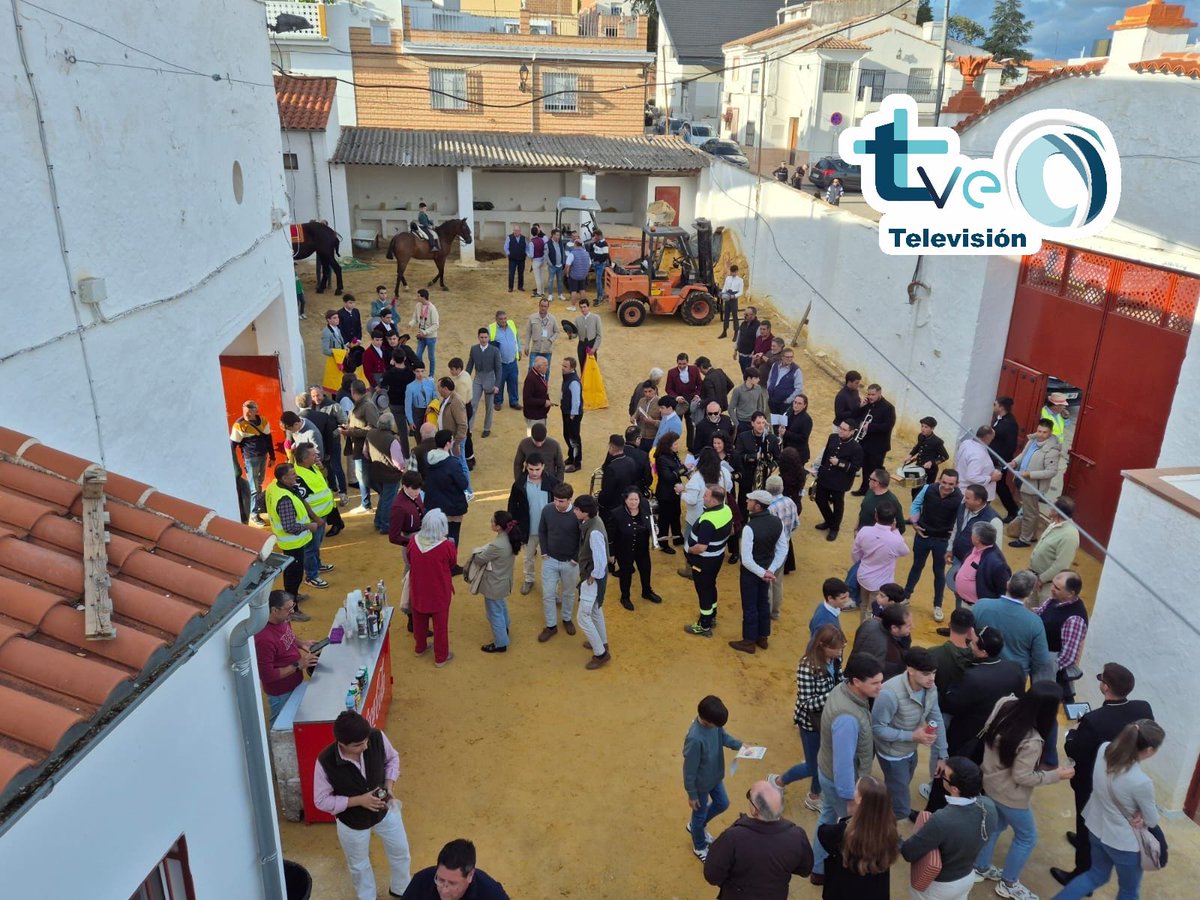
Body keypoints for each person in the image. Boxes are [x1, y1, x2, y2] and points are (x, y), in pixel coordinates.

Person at [1051, 663, 1155, 889]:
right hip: (1124, 779)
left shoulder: (1094, 720)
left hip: (1093, 782)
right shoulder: (1143, 708)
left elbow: (1075, 751)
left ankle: (1081, 874)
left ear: (1105, 687)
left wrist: (1073, 734)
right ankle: (1083, 841)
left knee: (1086, 819)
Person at [972, 683, 1074, 899]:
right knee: (1027, 837)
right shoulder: (1032, 740)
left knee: (995, 826)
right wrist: (1057, 775)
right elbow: (1022, 776)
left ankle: (980, 867)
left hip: (988, 780)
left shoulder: (1004, 704)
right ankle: (1008, 883)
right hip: (1010, 795)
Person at [1056, 721, 1166, 900]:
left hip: (1096, 828)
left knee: (1094, 875)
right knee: (1129, 890)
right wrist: (1141, 814)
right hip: (1123, 843)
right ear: (1150, 750)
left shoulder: (1104, 750)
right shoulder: (1142, 781)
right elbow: (1152, 820)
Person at [314, 711, 412, 900]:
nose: (366, 746)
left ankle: (401, 890)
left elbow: (393, 759)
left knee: (401, 852)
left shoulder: (376, 737)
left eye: (366, 740)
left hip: (385, 810)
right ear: (341, 744)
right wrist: (359, 800)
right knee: (359, 866)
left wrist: (389, 785)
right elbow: (321, 800)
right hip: (352, 822)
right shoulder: (325, 761)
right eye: (358, 745)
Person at [810, 654, 885, 883]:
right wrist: (851, 797)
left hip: (827, 770)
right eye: (875, 683)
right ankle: (830, 870)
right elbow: (843, 764)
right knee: (846, 829)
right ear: (856, 681)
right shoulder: (847, 718)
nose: (880, 687)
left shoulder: (844, 691)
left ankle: (818, 869)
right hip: (842, 782)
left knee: (827, 817)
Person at [900, 757, 999, 900]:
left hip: (939, 885)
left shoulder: (942, 819)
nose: (940, 777)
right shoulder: (989, 805)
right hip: (967, 877)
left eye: (943, 776)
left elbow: (908, 852)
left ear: (954, 789)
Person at [769, 623, 845, 808]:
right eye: (837, 648)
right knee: (813, 766)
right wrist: (835, 694)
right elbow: (806, 703)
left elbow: (839, 679)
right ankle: (779, 781)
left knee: (823, 762)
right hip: (811, 724)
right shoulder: (807, 666)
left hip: (828, 719)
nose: (840, 651)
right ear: (823, 646)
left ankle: (814, 795)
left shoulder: (834, 659)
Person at [870, 647, 948, 822]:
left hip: (910, 750)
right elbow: (877, 728)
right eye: (927, 673)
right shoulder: (889, 694)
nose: (932, 678)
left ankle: (886, 807)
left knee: (899, 787)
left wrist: (942, 754)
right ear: (910, 670)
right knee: (901, 806)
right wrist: (913, 736)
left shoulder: (930, 687)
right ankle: (888, 830)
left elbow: (937, 718)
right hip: (892, 755)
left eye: (934, 673)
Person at [704, 780, 814, 897]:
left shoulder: (733, 838)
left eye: (749, 796)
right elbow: (805, 869)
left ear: (755, 810)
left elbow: (712, 875)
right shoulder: (797, 836)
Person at [941, 627, 1025, 758]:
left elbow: (950, 704)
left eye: (973, 643)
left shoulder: (973, 676)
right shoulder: (1015, 668)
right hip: (1000, 733)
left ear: (984, 653)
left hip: (969, 736)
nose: (969, 643)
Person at [683, 695, 744, 862]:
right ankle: (699, 846)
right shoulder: (695, 739)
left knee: (722, 803)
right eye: (717, 725)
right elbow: (689, 769)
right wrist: (692, 794)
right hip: (701, 785)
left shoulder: (714, 727)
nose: (719, 728)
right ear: (708, 721)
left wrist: (740, 746)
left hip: (715, 776)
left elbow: (723, 737)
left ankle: (697, 827)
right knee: (699, 815)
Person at [816, 775, 898, 899]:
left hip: (845, 889)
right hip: (875, 890)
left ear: (859, 799)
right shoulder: (890, 830)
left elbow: (822, 833)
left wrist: (845, 820)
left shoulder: (844, 832)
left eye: (855, 789)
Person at [729, 490, 787, 654]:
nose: (747, 501)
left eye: (750, 500)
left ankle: (749, 641)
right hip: (767, 570)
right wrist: (770, 570)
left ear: (758, 506)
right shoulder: (777, 522)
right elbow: (783, 548)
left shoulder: (749, 527)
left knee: (750, 606)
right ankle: (763, 637)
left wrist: (763, 572)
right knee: (763, 602)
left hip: (751, 573)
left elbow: (746, 559)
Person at [1034, 570, 1088, 747]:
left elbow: (1068, 656)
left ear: (1071, 593)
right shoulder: (1056, 600)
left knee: (1045, 709)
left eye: (1057, 588)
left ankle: (1045, 746)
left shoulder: (1074, 618)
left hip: (1050, 666)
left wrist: (1046, 666)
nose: (1052, 590)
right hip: (1042, 659)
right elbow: (1040, 612)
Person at [973, 570, 1057, 683]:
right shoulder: (1035, 622)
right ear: (1030, 593)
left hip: (980, 670)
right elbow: (1041, 659)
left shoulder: (981, 605)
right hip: (1014, 678)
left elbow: (967, 636)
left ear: (1007, 584)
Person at [903, 469, 962, 621]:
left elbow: (959, 523)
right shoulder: (928, 488)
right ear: (939, 480)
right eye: (944, 482)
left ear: (957, 484)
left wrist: (951, 544)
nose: (947, 487)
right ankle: (906, 596)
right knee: (917, 566)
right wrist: (915, 523)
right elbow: (916, 505)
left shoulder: (960, 499)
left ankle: (938, 605)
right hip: (923, 536)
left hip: (942, 540)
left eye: (951, 484)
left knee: (939, 571)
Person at [254, 590, 318, 724]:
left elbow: (288, 635)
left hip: (295, 684)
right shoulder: (263, 639)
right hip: (281, 693)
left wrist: (302, 643)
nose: (293, 611)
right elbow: (267, 676)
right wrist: (298, 665)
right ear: (274, 610)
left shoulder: (283, 619)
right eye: (289, 609)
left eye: (293, 606)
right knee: (279, 726)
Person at [265, 463, 320, 614]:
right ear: (284, 478)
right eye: (293, 474)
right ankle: (292, 609)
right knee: (293, 576)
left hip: (291, 542)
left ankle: (293, 596)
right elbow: (289, 527)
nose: (296, 476)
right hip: (293, 544)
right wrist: (309, 526)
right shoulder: (284, 500)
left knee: (293, 574)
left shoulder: (274, 487)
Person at [683, 483, 734, 638]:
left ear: (713, 500)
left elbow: (701, 547)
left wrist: (688, 550)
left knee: (703, 591)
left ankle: (704, 625)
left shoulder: (708, 521)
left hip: (702, 562)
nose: (703, 497)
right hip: (716, 559)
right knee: (711, 586)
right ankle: (712, 616)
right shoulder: (726, 510)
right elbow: (731, 531)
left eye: (706, 495)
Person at [407, 510, 458, 667]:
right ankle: (441, 657)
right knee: (440, 626)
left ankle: (420, 647)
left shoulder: (413, 541)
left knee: (419, 619)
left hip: (418, 588)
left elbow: (409, 559)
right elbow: (452, 563)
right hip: (439, 591)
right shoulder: (447, 546)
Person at [507, 451, 557, 598]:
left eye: (537, 469)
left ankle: (552, 587)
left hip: (548, 531)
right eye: (531, 469)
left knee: (550, 560)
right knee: (528, 558)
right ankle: (529, 579)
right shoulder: (519, 485)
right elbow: (512, 508)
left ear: (543, 467)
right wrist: (514, 528)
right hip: (527, 531)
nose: (534, 472)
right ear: (526, 467)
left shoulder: (553, 483)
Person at [470, 510, 521, 654]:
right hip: (504, 580)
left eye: (493, 521)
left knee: (494, 613)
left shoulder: (498, 544)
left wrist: (477, 552)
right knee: (501, 606)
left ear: (499, 527)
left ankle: (500, 643)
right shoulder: (510, 538)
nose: (491, 523)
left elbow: (479, 559)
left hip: (494, 584)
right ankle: (505, 628)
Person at [945, 484, 1001, 611]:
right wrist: (950, 548)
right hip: (959, 558)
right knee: (958, 590)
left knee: (972, 597)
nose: (964, 500)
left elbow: (996, 549)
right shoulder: (963, 507)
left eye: (968, 498)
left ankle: (968, 626)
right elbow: (956, 528)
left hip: (977, 566)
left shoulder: (994, 520)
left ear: (979, 501)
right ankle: (957, 624)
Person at [536, 482, 581, 642]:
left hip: (571, 562)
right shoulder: (548, 510)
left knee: (568, 593)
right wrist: (544, 551)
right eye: (555, 499)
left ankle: (567, 619)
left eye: (561, 501)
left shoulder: (578, 514)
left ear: (570, 500)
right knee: (548, 594)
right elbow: (542, 530)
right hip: (550, 560)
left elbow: (582, 539)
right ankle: (551, 626)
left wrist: (576, 558)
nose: (557, 503)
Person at [850, 503, 910, 622]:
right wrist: (896, 531)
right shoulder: (895, 539)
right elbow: (905, 551)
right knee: (873, 611)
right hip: (880, 583)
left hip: (863, 575)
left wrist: (862, 564)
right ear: (893, 520)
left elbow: (855, 553)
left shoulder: (864, 531)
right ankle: (868, 633)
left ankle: (863, 629)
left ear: (876, 516)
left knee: (863, 605)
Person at [1008, 419, 1063, 547]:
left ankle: (1024, 539)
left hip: (1033, 485)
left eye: (1044, 432)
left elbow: (1051, 472)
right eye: (1039, 431)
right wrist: (1015, 462)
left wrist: (1030, 474)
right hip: (1022, 480)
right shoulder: (1032, 441)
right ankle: (1031, 535)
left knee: (1029, 513)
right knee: (1031, 510)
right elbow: (1023, 455)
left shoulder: (1052, 451)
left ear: (1050, 433)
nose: (1040, 434)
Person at [607, 487, 661, 610]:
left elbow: (652, 520)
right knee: (626, 575)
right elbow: (610, 535)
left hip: (642, 549)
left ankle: (647, 592)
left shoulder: (645, 507)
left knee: (646, 570)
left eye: (636, 499)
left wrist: (655, 528)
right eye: (631, 499)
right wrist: (611, 553)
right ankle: (625, 597)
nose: (634, 502)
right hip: (624, 551)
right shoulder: (617, 514)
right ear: (625, 500)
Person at [573, 494, 611, 669]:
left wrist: (592, 576)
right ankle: (602, 642)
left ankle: (600, 653)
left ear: (585, 513)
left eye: (577, 510)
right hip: (593, 577)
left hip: (592, 579)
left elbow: (601, 560)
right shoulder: (595, 521)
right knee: (595, 610)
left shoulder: (594, 531)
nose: (574, 512)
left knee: (582, 617)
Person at [402, 838, 510, 900]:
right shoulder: (420, 881)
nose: (444, 890)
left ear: (470, 875)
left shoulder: (492, 894)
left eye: (452, 883)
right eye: (440, 880)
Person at [292, 444, 337, 586]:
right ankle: (311, 576)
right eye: (313, 455)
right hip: (314, 518)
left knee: (317, 544)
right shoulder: (298, 476)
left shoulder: (312, 466)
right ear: (305, 459)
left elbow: (324, 478)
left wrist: (322, 467)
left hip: (321, 515)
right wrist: (316, 519)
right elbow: (303, 502)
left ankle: (317, 565)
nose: (316, 456)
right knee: (311, 548)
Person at [813, 420, 864, 541]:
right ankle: (830, 521)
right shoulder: (833, 437)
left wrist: (839, 463)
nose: (840, 430)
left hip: (840, 481)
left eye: (844, 429)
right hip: (825, 476)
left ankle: (834, 528)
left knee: (838, 504)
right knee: (819, 499)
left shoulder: (856, 448)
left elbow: (855, 468)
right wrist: (819, 471)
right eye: (840, 428)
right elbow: (826, 456)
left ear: (852, 432)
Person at [231, 400, 276, 524]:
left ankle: (255, 510)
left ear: (256, 411)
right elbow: (232, 445)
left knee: (259, 483)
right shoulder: (239, 425)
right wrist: (235, 465)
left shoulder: (263, 421)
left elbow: (268, 438)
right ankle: (253, 514)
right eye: (245, 412)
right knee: (255, 487)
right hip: (251, 459)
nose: (247, 415)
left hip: (263, 456)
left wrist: (272, 456)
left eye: (250, 412)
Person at [422, 430, 469, 549]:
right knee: (452, 536)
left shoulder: (426, 458)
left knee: (435, 538)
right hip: (452, 506)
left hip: (433, 505)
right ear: (448, 443)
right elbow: (463, 484)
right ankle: (450, 563)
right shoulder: (452, 463)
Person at [951, 521, 1011, 612]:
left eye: (972, 534)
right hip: (966, 603)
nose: (970, 535)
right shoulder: (976, 548)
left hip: (979, 609)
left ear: (977, 539)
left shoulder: (996, 562)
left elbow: (1002, 590)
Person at [1030, 497, 1080, 598]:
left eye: (1052, 505)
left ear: (1057, 511)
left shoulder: (1070, 535)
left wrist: (1041, 579)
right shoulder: (1054, 523)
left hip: (1047, 586)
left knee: (1043, 612)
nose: (1049, 507)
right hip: (1035, 578)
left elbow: (1061, 565)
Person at [852, 384, 896, 496]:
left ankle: (876, 492)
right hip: (865, 442)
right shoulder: (868, 404)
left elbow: (888, 426)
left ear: (879, 393)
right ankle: (864, 489)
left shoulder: (888, 408)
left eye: (873, 394)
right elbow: (856, 417)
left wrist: (870, 426)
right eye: (869, 394)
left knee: (875, 470)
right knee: (865, 468)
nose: (870, 397)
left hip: (878, 446)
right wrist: (861, 406)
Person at [764, 474, 798, 618]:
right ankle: (776, 612)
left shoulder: (768, 508)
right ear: (782, 487)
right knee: (777, 581)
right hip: (784, 548)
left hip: (770, 550)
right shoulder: (790, 502)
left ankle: (768, 610)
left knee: (767, 583)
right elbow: (796, 524)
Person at [852, 603, 912, 680]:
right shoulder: (889, 651)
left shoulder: (869, 623)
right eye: (908, 626)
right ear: (894, 628)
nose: (913, 627)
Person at [929, 607, 976, 699]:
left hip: (939, 704)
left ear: (949, 625)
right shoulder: (977, 657)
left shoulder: (932, 653)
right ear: (971, 630)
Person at [466, 328, 502, 438]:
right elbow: (470, 364)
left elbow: (498, 368)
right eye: (481, 337)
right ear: (478, 337)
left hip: (490, 378)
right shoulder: (474, 349)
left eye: (486, 337)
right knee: (472, 404)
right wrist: (466, 378)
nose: (483, 339)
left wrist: (497, 385)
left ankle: (487, 428)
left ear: (489, 338)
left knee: (489, 406)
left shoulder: (494, 350)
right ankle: (469, 429)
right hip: (478, 378)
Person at [654, 432, 687, 552]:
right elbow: (667, 477)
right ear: (668, 445)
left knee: (675, 515)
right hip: (665, 494)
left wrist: (685, 470)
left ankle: (677, 538)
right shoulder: (662, 458)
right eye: (675, 443)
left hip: (674, 492)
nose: (678, 445)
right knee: (664, 519)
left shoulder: (672, 455)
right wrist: (683, 469)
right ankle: (663, 543)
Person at [992, 397, 1021, 522]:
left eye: (995, 404)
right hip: (994, 458)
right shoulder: (1000, 419)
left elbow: (1010, 445)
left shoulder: (1010, 423)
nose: (993, 406)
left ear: (1001, 407)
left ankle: (1013, 510)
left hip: (1000, 460)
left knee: (1000, 485)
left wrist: (1002, 462)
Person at [955, 425, 1002, 501]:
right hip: (975, 496)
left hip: (963, 487)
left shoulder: (966, 443)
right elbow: (971, 477)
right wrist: (991, 478)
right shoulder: (978, 454)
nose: (992, 441)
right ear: (987, 437)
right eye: (992, 438)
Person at [904, 416, 949, 495]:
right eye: (922, 426)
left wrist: (932, 462)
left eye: (926, 427)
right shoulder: (921, 436)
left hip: (930, 472)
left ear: (932, 428)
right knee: (914, 490)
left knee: (924, 492)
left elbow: (945, 456)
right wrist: (910, 454)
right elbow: (918, 446)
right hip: (919, 466)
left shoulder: (937, 442)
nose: (923, 429)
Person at [665, 352, 702, 448]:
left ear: (687, 362)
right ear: (677, 363)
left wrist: (697, 395)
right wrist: (676, 397)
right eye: (679, 364)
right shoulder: (671, 372)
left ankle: (691, 447)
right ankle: (673, 447)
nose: (681, 366)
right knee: (676, 426)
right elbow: (668, 389)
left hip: (691, 402)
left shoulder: (694, 370)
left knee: (691, 426)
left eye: (684, 364)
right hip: (678, 403)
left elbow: (700, 385)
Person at [487, 310, 522, 411]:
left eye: (505, 318)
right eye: (501, 319)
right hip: (500, 363)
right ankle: (498, 402)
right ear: (496, 319)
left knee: (513, 382)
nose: (503, 321)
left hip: (512, 361)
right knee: (499, 383)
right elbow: (486, 344)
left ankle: (514, 401)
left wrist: (519, 350)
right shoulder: (491, 329)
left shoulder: (511, 324)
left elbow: (517, 338)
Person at [855, 468, 906, 535]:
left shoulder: (892, 501)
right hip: (861, 535)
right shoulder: (870, 491)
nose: (868, 480)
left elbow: (901, 527)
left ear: (876, 483)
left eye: (870, 479)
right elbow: (863, 511)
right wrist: (856, 528)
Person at [560, 356, 584, 472]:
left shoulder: (574, 381)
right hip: (566, 411)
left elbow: (576, 400)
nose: (562, 368)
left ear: (572, 368)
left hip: (572, 414)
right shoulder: (567, 377)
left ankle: (576, 463)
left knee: (574, 438)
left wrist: (573, 414)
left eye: (565, 366)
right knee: (567, 435)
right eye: (562, 365)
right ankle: (571, 457)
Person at [524, 297, 559, 373]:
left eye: (545, 306)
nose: (543, 308)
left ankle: (544, 385)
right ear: (539, 306)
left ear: (548, 307)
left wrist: (551, 340)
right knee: (531, 369)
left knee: (546, 371)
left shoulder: (552, 319)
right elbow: (528, 333)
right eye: (542, 306)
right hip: (535, 349)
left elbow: (557, 332)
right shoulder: (532, 317)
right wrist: (526, 346)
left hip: (547, 350)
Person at [408, 289, 439, 374]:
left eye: (418, 296)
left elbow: (436, 325)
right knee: (418, 355)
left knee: (431, 357)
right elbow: (415, 318)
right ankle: (420, 372)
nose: (417, 297)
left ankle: (431, 375)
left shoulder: (432, 309)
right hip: (421, 336)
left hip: (430, 337)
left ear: (423, 297)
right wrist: (410, 324)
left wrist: (425, 332)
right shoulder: (418, 305)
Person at [403, 366, 436, 440]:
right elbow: (408, 406)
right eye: (418, 371)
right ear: (414, 372)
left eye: (422, 371)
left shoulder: (430, 383)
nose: (420, 374)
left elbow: (435, 398)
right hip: (417, 413)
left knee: (431, 436)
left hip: (430, 411)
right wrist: (410, 421)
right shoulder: (410, 387)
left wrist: (432, 407)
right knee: (418, 437)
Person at [521, 356, 553, 432]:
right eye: (545, 365)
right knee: (534, 439)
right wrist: (544, 402)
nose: (547, 367)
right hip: (534, 417)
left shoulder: (539, 375)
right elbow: (527, 399)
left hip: (538, 414)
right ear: (538, 368)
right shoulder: (531, 379)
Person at [631, 380, 662, 451]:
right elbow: (636, 414)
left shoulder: (661, 403)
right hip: (641, 437)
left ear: (655, 390)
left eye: (650, 391)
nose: (647, 394)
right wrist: (633, 418)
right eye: (645, 392)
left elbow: (665, 424)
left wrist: (652, 422)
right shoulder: (641, 401)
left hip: (654, 439)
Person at [573, 298, 602, 372]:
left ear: (588, 307)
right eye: (581, 307)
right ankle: (583, 383)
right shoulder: (577, 319)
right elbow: (575, 334)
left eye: (584, 307)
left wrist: (594, 348)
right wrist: (571, 334)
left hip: (591, 344)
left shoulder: (596, 318)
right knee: (582, 366)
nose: (583, 309)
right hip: (581, 344)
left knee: (592, 367)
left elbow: (599, 335)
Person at [717, 264, 744, 339]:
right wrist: (722, 294)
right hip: (727, 296)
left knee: (735, 316)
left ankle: (736, 332)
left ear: (737, 272)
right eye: (732, 272)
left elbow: (741, 292)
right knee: (726, 315)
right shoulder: (728, 278)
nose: (733, 274)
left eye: (734, 272)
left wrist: (734, 296)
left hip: (734, 297)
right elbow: (725, 288)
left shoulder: (740, 280)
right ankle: (724, 331)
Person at [564, 236, 591, 311]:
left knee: (574, 291)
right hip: (583, 275)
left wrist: (567, 273)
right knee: (582, 290)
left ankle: (573, 306)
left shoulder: (572, 253)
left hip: (574, 275)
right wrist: (586, 272)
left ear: (575, 244)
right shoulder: (586, 253)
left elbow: (567, 265)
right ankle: (584, 306)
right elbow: (589, 264)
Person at [732, 306, 760, 375]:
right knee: (744, 374)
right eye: (744, 314)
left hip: (750, 357)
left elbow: (759, 342)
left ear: (753, 315)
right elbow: (739, 337)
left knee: (750, 375)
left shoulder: (758, 326)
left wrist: (753, 353)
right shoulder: (743, 324)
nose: (744, 316)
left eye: (746, 315)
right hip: (741, 355)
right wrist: (735, 350)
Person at [502, 224, 527, 292]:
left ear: (520, 231)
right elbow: (505, 247)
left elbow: (527, 247)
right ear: (513, 231)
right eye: (515, 230)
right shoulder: (509, 237)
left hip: (521, 259)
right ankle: (510, 287)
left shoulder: (524, 238)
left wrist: (526, 254)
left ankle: (520, 286)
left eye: (518, 230)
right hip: (512, 259)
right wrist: (509, 254)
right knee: (511, 273)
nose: (516, 232)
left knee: (521, 273)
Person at [546, 227, 567, 301]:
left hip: (560, 266)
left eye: (559, 235)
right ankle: (550, 295)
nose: (558, 237)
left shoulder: (560, 243)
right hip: (552, 266)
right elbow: (546, 255)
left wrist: (563, 262)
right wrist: (550, 264)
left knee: (560, 280)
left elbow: (563, 253)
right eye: (557, 235)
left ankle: (560, 294)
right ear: (553, 235)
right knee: (550, 280)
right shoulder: (548, 244)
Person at [590, 228, 611, 303]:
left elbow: (605, 255)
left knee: (598, 281)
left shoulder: (604, 243)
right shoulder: (597, 242)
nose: (594, 237)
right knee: (597, 281)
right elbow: (592, 250)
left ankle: (600, 297)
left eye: (595, 236)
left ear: (599, 236)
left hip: (600, 264)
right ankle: (599, 296)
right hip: (596, 263)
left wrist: (598, 261)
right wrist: (592, 243)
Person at [529, 223, 547, 299]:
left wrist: (532, 261)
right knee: (541, 277)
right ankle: (542, 292)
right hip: (542, 260)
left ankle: (539, 293)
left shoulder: (531, 242)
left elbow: (531, 255)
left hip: (536, 261)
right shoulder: (542, 240)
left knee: (537, 278)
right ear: (537, 232)